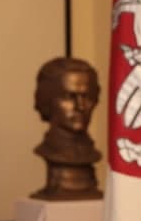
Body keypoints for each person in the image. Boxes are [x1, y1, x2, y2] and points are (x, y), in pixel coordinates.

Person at [31, 56, 102, 200]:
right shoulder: (51, 150)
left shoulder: (91, 151)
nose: (80, 106)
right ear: (47, 100)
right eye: (69, 97)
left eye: (86, 96)